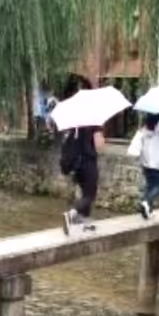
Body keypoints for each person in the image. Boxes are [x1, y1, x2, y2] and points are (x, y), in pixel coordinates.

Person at [61, 80, 105, 235]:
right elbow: (99, 144)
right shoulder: (92, 117)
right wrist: (101, 135)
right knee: (90, 194)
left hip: (76, 164)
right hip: (88, 161)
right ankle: (72, 214)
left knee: (85, 191)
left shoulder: (73, 116)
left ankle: (82, 221)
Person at [138, 112, 159, 219]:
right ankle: (146, 201)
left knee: (150, 186)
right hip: (157, 163)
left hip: (146, 162)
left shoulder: (144, 129)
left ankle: (148, 211)